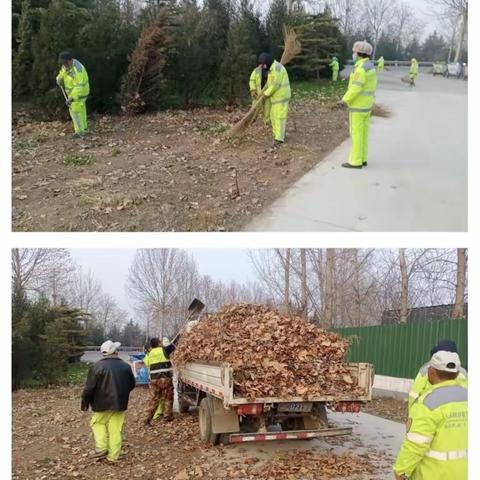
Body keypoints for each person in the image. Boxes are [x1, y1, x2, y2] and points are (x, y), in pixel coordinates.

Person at [393, 350, 467, 480]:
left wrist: (401, 471)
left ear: (432, 372)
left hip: (434, 474)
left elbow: (415, 444)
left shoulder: (428, 403)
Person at [81, 340, 136, 463]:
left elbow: (89, 388)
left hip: (101, 404)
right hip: (120, 404)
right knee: (115, 429)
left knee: (97, 423)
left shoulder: (96, 367)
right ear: (115, 352)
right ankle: (113, 456)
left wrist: (85, 401)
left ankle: (101, 448)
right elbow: (132, 385)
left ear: (103, 353)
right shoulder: (125, 366)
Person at [340, 40, 377, 169]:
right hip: (366, 106)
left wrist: (344, 100)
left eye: (354, 52)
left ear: (359, 53)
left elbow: (356, 88)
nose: (353, 54)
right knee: (363, 134)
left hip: (357, 106)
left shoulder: (360, 69)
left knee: (356, 134)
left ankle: (355, 161)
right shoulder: (370, 66)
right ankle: (363, 158)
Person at [409, 340, 468, 413]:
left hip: (429, 411)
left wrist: (411, 414)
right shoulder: (463, 373)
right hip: (456, 414)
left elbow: (414, 394)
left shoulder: (426, 370)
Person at [256, 52, 291, 148]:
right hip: (275, 99)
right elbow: (270, 83)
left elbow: (276, 84)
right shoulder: (271, 69)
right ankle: (276, 136)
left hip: (282, 97)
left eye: (263, 65)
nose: (263, 67)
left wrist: (266, 94)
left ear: (267, 62)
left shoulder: (277, 68)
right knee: (273, 116)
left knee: (279, 118)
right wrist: (264, 92)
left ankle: (279, 139)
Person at [56, 51, 90, 138]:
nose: (64, 65)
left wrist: (71, 97)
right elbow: (62, 73)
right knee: (81, 109)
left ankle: (79, 132)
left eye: (65, 63)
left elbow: (79, 86)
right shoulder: (66, 66)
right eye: (63, 63)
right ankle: (84, 128)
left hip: (80, 92)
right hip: (73, 93)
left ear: (70, 60)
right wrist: (59, 78)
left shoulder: (78, 70)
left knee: (75, 110)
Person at [144, 337, 177, 425]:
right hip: (164, 379)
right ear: (159, 344)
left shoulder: (149, 354)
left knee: (153, 399)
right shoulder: (164, 350)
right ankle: (167, 417)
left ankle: (148, 418)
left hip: (154, 380)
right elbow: (174, 346)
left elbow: (147, 364)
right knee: (168, 398)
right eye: (160, 342)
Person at [249, 57, 271, 125]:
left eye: (264, 63)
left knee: (267, 108)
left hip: (267, 94)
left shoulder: (271, 71)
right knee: (254, 108)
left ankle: (266, 122)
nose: (262, 65)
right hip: (257, 94)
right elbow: (252, 81)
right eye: (261, 63)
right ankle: (251, 121)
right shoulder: (256, 71)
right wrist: (253, 90)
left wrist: (267, 93)